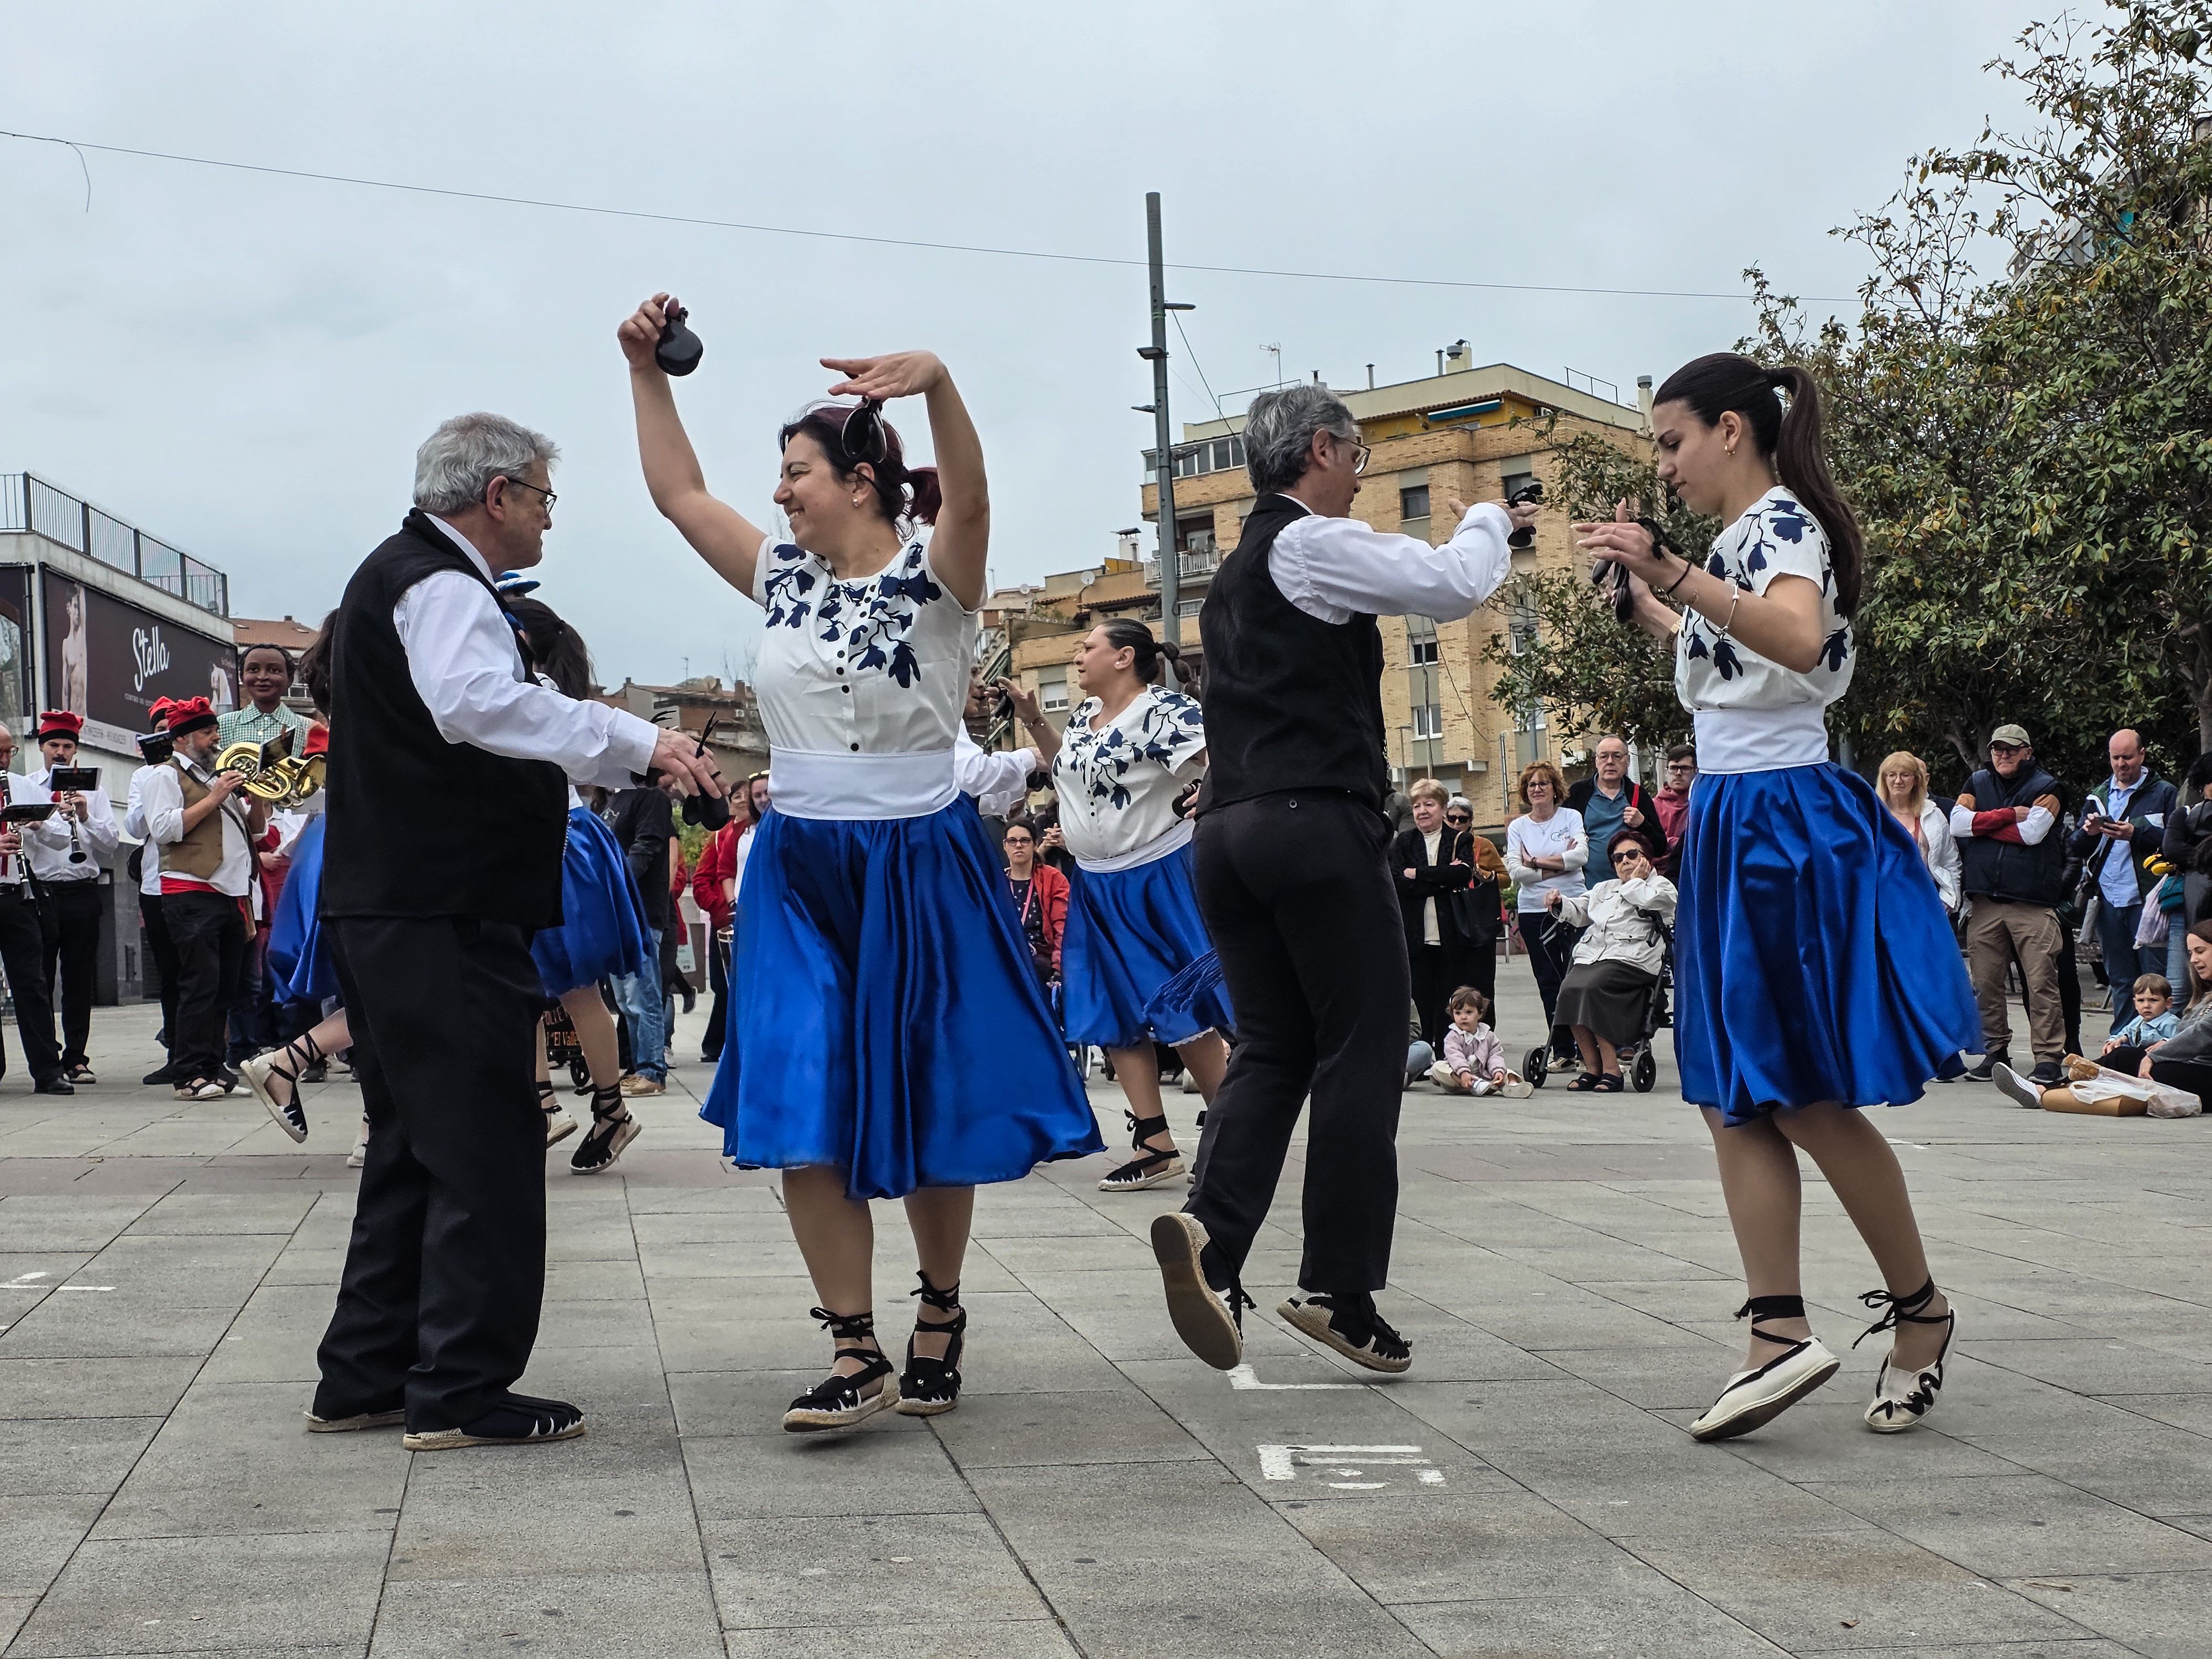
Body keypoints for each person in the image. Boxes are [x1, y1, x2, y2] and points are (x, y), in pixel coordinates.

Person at [624, 292, 1100, 1432]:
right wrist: (643, 369)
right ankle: (852, 1345)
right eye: (781, 475)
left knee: (930, 1083)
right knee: (798, 1078)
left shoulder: (940, 580)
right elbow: (679, 494)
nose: (780, 492)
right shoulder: (781, 577)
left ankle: (938, 1310)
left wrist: (938, 384)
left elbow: (970, 496)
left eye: (796, 472)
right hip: (799, 864)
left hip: (919, 860)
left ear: (861, 481)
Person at [1577, 351, 1976, 1440]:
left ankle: (1915, 1311)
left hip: (1776, 824)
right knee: (1731, 1089)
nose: (1663, 466)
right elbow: (1739, 661)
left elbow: (1795, 637)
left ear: (1729, 430)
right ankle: (1777, 1329)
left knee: (1792, 1090)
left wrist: (1668, 571)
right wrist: (1649, 603)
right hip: (1736, 819)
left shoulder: (1781, 524)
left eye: (1671, 442)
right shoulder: (1740, 541)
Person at [310, 411, 717, 1453]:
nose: (546, 518)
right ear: (496, 495)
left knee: (414, 1143)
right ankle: (459, 1387)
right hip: (442, 908)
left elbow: (497, 704)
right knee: (486, 1142)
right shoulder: (442, 583)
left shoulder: (400, 577)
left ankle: (365, 1374)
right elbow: (477, 704)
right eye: (541, 497)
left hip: (395, 902)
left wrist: (627, 746)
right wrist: (638, 737)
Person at [1145, 380, 1534, 1379]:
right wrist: (1492, 517)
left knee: (1275, 1043)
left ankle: (1211, 1239)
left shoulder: (1231, 578)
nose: (1360, 474)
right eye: (1357, 454)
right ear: (1320, 448)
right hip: (1312, 823)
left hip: (1227, 833)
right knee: (1364, 1046)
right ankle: (1340, 1290)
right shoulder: (1307, 542)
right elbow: (1453, 585)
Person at [1049, 619, 1231, 1192]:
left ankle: (1233, 1136)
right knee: (1112, 1011)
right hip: (1095, 880)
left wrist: (1214, 793)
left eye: (1089, 647)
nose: (1078, 657)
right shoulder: (1083, 715)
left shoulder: (1164, 711)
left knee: (1180, 1007)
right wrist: (1032, 720)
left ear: (1124, 656)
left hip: (1154, 874)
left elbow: (1224, 759)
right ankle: (1155, 1144)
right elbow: (1070, 777)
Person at [506, 594, 657, 1172]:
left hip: (557, 842)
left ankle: (594, 1108)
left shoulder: (530, 691)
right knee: (533, 986)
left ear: (520, 638)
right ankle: (560, 1105)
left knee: (566, 987)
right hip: (546, 840)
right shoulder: (527, 688)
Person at [139, 696, 263, 1102]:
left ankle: (214, 1067)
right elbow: (163, 829)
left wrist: (259, 794)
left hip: (231, 892)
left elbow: (256, 832)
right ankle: (188, 1074)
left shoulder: (216, 776)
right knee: (199, 985)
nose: (215, 739)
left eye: (214, 731)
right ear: (183, 738)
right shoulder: (164, 775)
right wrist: (215, 797)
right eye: (207, 732)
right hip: (191, 890)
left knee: (225, 988)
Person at [1952, 725, 2071, 1086]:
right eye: (1998, 749)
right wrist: (2007, 815)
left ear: (2027, 752)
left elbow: (2033, 834)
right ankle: (1996, 1052)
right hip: (1985, 902)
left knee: (2041, 983)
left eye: (2012, 749)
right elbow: (1957, 825)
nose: (2003, 755)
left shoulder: (2048, 787)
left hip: (2032, 904)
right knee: (1985, 983)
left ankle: (2048, 1058)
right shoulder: (1976, 782)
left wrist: (1981, 826)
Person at [1999, 926, 2212, 1111]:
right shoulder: (2204, 997)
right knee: (2122, 1059)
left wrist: (2155, 1056)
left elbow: (2199, 1034)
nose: (2194, 959)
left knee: (2125, 1063)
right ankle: (2053, 1091)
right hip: (2192, 1067)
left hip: (2204, 1075)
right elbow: (2188, 1032)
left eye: (2200, 951)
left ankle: (2047, 1090)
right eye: (2191, 953)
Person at [24, 711, 119, 1084]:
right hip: (42, 893)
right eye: (54, 745)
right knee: (41, 979)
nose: (60, 752)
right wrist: (41, 825)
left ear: (76, 750)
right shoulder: (26, 787)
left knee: (80, 979)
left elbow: (111, 844)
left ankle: (76, 1057)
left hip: (82, 892)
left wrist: (84, 815)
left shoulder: (93, 791)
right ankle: (47, 1057)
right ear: (42, 748)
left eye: (67, 746)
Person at [1546, 830, 1677, 1088]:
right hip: (1594, 956)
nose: (1625, 861)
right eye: (1618, 858)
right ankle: (1592, 1068)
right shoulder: (1604, 888)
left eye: (1632, 855)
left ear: (1646, 858)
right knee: (1569, 991)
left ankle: (1612, 1070)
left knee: (1592, 989)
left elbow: (1653, 903)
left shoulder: (1662, 887)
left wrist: (1634, 882)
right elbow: (1580, 910)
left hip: (1634, 960)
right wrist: (1560, 902)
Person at [2071, 729, 2176, 1033]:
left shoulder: (2165, 793)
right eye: (2115, 758)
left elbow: (2177, 843)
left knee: (2155, 980)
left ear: (2142, 755)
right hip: (2108, 900)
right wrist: (2090, 833)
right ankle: (2121, 1042)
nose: (2121, 764)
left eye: (2128, 757)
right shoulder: (2099, 796)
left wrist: (2136, 834)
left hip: (2148, 901)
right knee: (2120, 980)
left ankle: (2157, 1041)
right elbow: (2075, 846)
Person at [0, 725, 71, 1093]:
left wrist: (39, 826)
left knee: (32, 983)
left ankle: (48, 1070)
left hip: (17, 895)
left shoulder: (23, 787)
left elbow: (61, 839)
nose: (5, 760)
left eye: (9, 752)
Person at [1504, 760, 1588, 1068]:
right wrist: (1559, 863)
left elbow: (1581, 856)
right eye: (1531, 785)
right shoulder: (1518, 827)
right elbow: (1516, 873)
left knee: (1579, 977)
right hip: (1534, 910)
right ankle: (1563, 1051)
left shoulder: (1571, 817)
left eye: (1543, 783)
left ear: (1555, 789)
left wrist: (1536, 862)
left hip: (1573, 905)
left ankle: (1588, 1051)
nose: (1537, 789)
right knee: (1549, 980)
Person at [1393, 779, 1484, 1051]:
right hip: (1416, 937)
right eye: (1417, 806)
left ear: (1443, 809)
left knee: (1450, 1001)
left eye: (1429, 804)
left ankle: (1449, 1057)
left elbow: (1462, 874)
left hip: (1452, 935)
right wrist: (1442, 878)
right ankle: (1422, 1056)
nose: (1422, 811)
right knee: (1420, 1000)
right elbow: (1399, 883)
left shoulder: (1460, 838)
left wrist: (1418, 873)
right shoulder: (1404, 842)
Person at [607, 776, 675, 1097]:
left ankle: (652, 1070)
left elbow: (646, 847)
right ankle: (639, 1068)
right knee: (625, 999)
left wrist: (617, 884)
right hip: (616, 911)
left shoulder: (651, 797)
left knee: (643, 994)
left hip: (641, 910)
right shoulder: (613, 799)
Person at [1565, 735, 1671, 873]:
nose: (1610, 762)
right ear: (1596, 761)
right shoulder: (1578, 793)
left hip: (1632, 883)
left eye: (1617, 756)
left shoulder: (1638, 795)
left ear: (1627, 761)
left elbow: (1660, 848)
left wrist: (1643, 824)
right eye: (1604, 756)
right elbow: (1560, 836)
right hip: (1587, 884)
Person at [1877, 752, 1961, 916]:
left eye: (1905, 775)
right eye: (1892, 775)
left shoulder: (1933, 814)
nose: (1898, 781)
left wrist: (1948, 901)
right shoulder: (1873, 816)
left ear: (1916, 780)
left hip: (1927, 899)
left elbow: (1951, 861)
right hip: (1885, 902)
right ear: (1884, 779)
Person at [1442, 794, 1507, 1005]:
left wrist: (1482, 874)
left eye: (1463, 819)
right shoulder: (1441, 844)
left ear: (1471, 821)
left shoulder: (1483, 845)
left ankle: (1485, 1023)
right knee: (1452, 982)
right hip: (1449, 919)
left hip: (1478, 920)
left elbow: (1506, 879)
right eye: (1452, 818)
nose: (1457, 823)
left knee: (1483, 981)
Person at [1000, 818, 1067, 986]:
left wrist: (1058, 970)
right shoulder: (996, 883)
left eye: (1025, 840)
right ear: (1005, 846)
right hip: (1005, 959)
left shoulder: (1054, 879)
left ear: (1035, 844)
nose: (1018, 845)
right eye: (1012, 841)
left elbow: (1063, 927)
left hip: (1041, 962)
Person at [1426, 986, 1527, 1097]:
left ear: (1480, 1013)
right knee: (1438, 1067)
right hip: (1458, 1079)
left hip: (1484, 1077)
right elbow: (1455, 1056)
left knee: (1507, 1072)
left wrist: (1498, 1071)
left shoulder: (1488, 1036)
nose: (1463, 1017)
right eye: (1458, 1013)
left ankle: (1512, 1086)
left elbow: (1495, 1056)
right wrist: (1464, 1073)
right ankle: (1473, 1085)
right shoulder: (1453, 1036)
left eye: (1469, 1012)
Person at [1653, 744, 1697, 872]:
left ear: (1696, 772)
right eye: (1673, 768)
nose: (1678, 773)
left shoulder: (1700, 806)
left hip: (1691, 870)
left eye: (1685, 768)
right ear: (1666, 771)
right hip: (1657, 873)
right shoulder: (1654, 805)